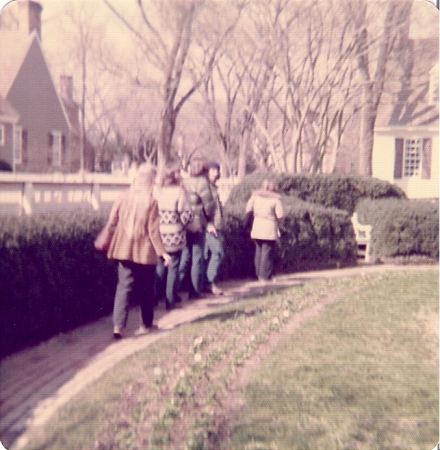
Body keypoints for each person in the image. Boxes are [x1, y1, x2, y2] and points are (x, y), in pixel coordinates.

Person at [106, 163, 171, 339]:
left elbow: (112, 219)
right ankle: (147, 323)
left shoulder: (123, 197)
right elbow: (153, 232)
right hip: (143, 252)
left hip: (123, 249)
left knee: (124, 287)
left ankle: (118, 326)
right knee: (146, 288)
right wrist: (163, 253)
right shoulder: (151, 202)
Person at [154, 162, 193, 310]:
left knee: (159, 266)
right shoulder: (180, 193)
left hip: (159, 235)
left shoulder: (157, 192)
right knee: (173, 267)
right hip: (175, 235)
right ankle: (170, 301)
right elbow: (186, 216)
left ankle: (154, 298)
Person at [179, 157, 215, 299]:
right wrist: (209, 219)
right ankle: (194, 291)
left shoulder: (184, 181)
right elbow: (209, 205)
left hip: (183, 223)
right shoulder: (203, 183)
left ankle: (173, 290)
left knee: (184, 257)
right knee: (197, 257)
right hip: (197, 222)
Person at [245, 179, 284, 282]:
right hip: (269, 227)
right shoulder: (275, 200)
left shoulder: (255, 197)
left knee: (258, 251)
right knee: (267, 252)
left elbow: (248, 209)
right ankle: (264, 276)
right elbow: (280, 215)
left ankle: (257, 274)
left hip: (257, 226)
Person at [204, 161, 225, 295]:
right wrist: (208, 224)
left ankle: (204, 284)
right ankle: (209, 283)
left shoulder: (214, 187)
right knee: (218, 253)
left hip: (215, 225)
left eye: (217, 170)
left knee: (205, 256)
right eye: (212, 170)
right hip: (209, 226)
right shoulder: (206, 188)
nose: (216, 173)